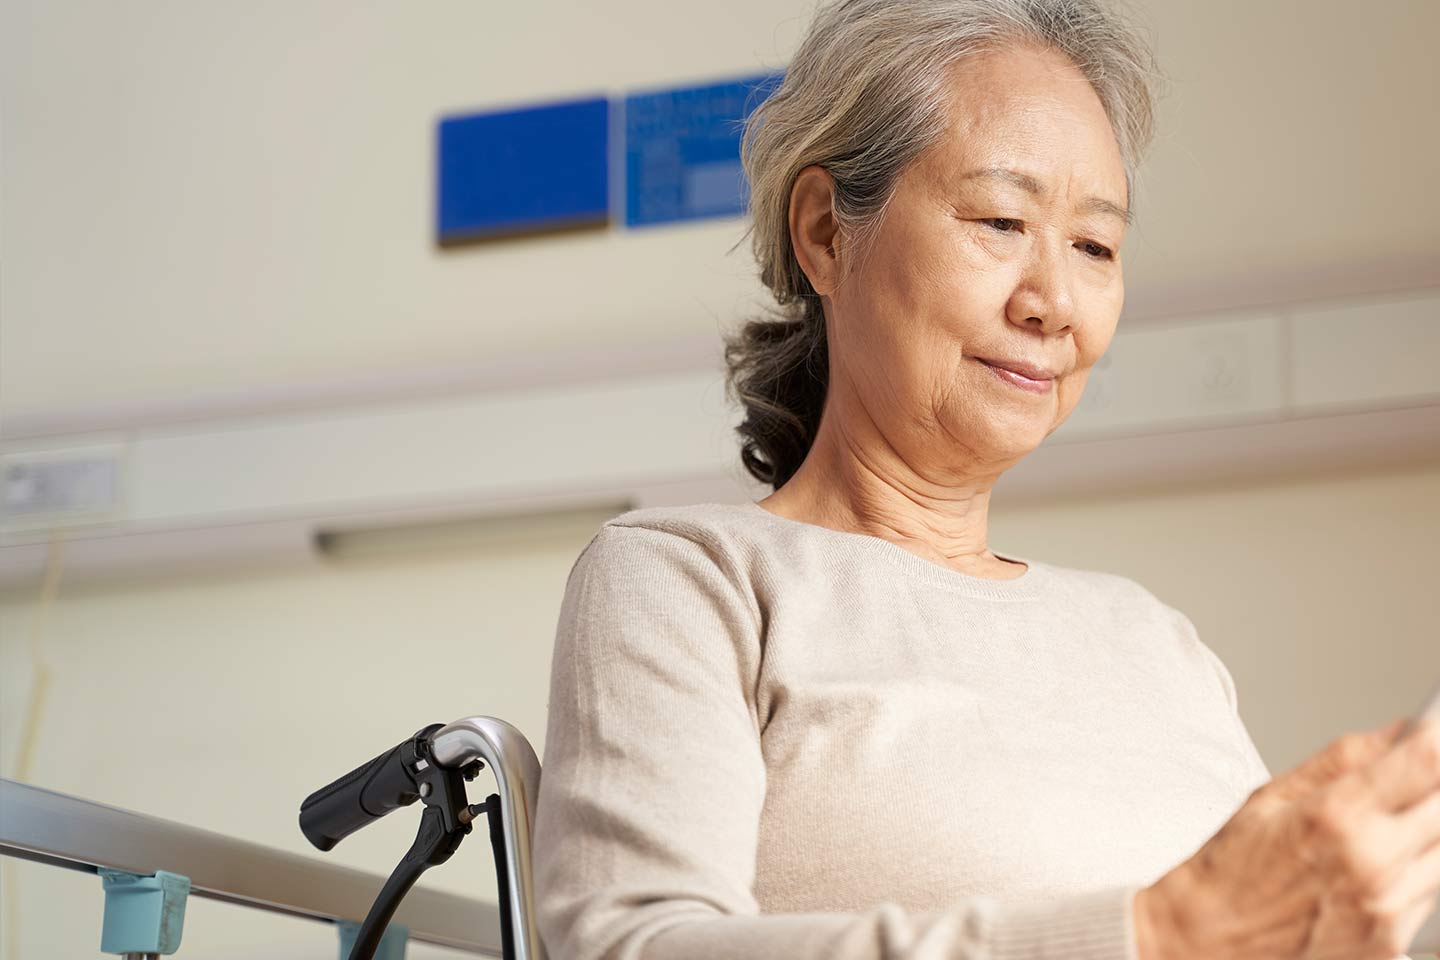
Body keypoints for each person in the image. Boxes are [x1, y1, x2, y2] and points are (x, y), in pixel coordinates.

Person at [530, 1, 1440, 958]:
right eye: (1002, 221)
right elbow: (635, 947)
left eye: (1095, 246)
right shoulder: (693, 582)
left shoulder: (1155, 642)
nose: (1052, 303)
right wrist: (1153, 934)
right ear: (826, 234)